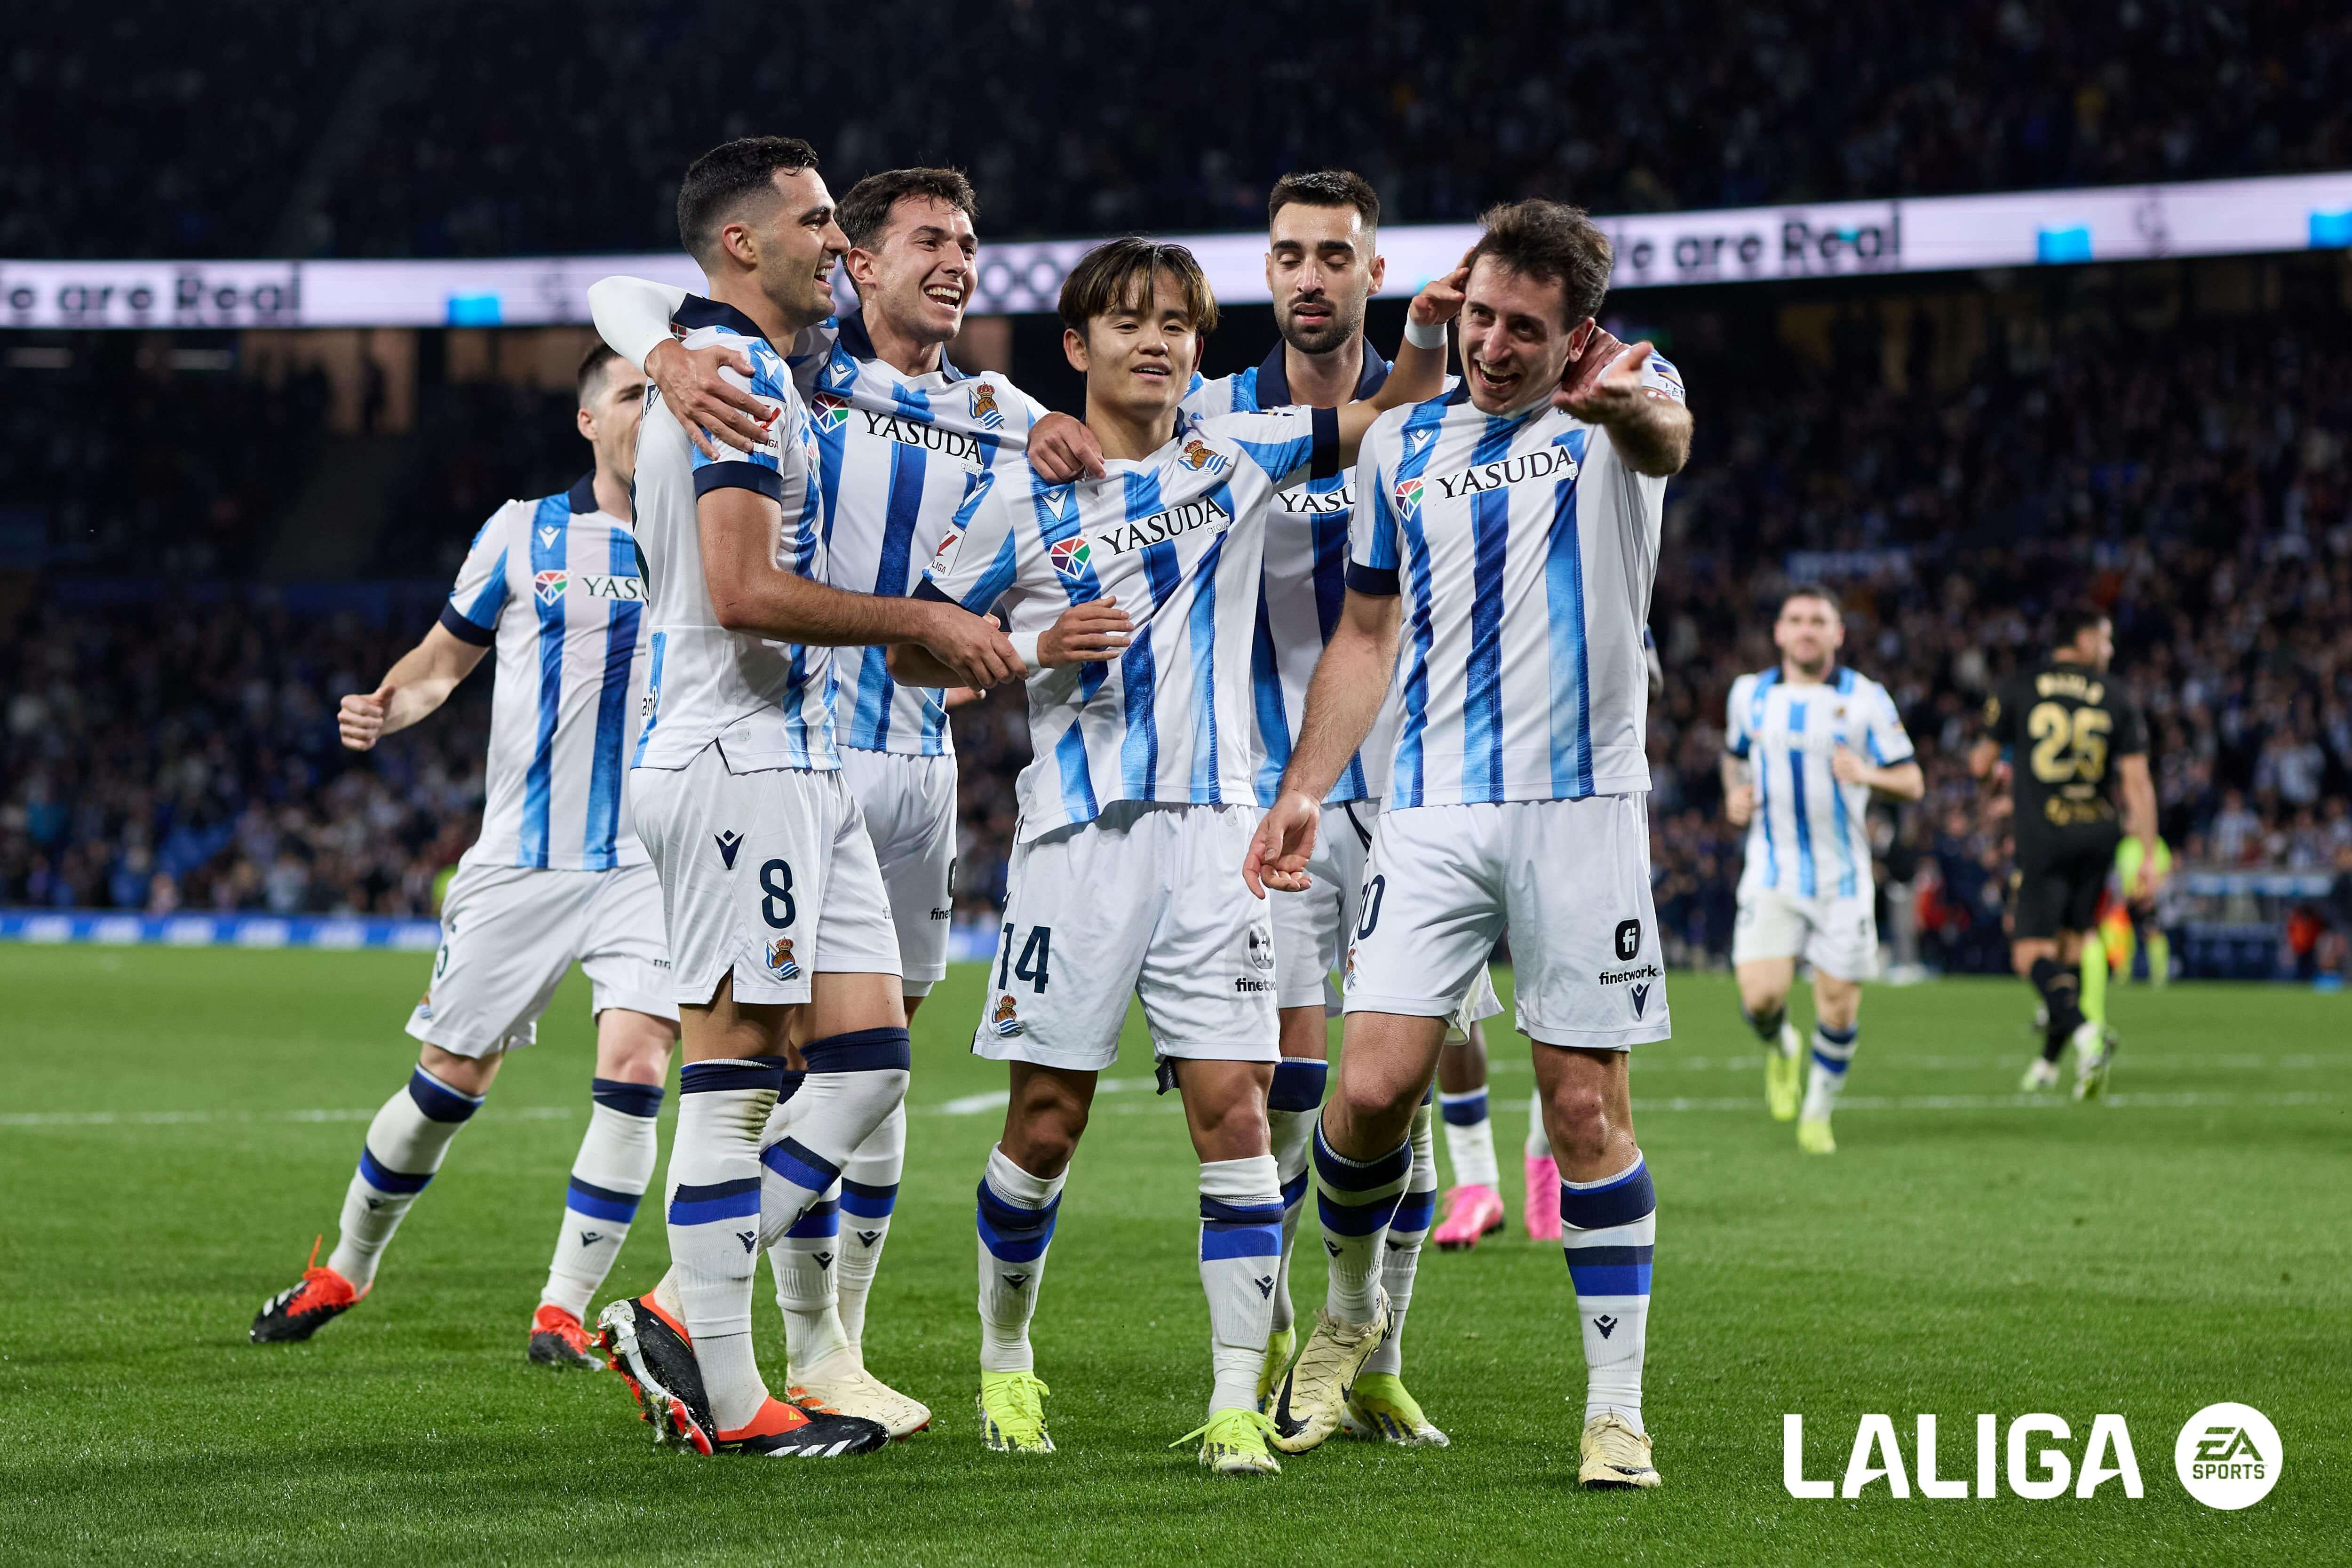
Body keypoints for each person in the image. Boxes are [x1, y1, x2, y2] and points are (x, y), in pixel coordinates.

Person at [892, 235, 1457, 1475]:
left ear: (1202, 352)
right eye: (1129, 320)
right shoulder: (1015, 496)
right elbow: (912, 652)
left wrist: (1425, 333)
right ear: (1078, 345)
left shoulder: (1233, 455)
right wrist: (1034, 652)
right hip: (1074, 844)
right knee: (1046, 1123)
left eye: (1179, 326)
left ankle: (1234, 1402)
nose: (1157, 341)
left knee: (1238, 1112)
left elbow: (1390, 416)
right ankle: (1005, 1360)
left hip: (1218, 839)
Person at [586, 166, 1101, 1438]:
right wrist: (656, 348)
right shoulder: (767, 367)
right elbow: (634, 293)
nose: (959, 259)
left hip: (846, 754)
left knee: (868, 1061)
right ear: (845, 261)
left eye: (970, 240)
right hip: (747, 747)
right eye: (908, 235)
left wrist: (1056, 436)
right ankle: (736, 1358)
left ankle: (725, 1323)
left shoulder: (978, 401)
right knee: (745, 1064)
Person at [1243, 199, 1692, 1488]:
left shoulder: (1624, 397)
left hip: (1582, 810)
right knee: (1371, 1090)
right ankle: (1348, 1321)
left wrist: (1618, 403)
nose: (1498, 346)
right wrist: (1305, 785)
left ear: (1580, 333)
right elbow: (1367, 632)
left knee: (1584, 1103)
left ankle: (1615, 1408)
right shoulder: (1407, 442)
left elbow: (1669, 434)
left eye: (1528, 328)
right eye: (1483, 316)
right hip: (1431, 810)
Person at [1176, 169, 1537, 1445]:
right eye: (1290, 255)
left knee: (1409, 1080)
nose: (1312, 276)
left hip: (1416, 802)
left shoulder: (1445, 414)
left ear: (1375, 274)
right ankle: (1284, 1344)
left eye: (1337, 253)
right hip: (1255, 801)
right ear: (1262, 275)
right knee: (1281, 1087)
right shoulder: (1207, 415)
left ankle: (1372, 1353)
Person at [249, 346, 682, 1369]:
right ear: (589, 421)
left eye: (663, 395)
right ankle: (347, 1266)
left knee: (635, 1066)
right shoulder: (523, 530)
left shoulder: (709, 533)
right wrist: (389, 704)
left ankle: (562, 1309)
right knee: (450, 1078)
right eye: (632, 394)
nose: (651, 410)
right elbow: (445, 661)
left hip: (652, 861)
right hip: (522, 860)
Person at [1720, 586, 1923, 1154]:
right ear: (1779, 633)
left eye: (1818, 621)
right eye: (1795, 620)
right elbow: (1733, 760)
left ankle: (1816, 1113)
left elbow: (1911, 781)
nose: (1805, 629)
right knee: (1760, 999)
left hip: (1842, 878)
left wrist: (1868, 774)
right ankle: (1782, 1045)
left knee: (1837, 1002)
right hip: (1771, 868)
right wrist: (1733, 796)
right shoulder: (1748, 696)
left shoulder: (1865, 699)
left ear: (1837, 633)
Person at [1970, 604, 2158, 1098]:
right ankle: (2050, 1066)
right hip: (2098, 834)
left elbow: (1979, 763)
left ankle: (2085, 1034)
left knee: (2028, 955)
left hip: (2044, 834)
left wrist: (1995, 779)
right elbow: (2137, 785)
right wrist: (2143, 858)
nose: (2109, 650)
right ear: (2078, 639)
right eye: (2104, 639)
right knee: (2070, 951)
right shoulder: (2116, 696)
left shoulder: (2019, 685)